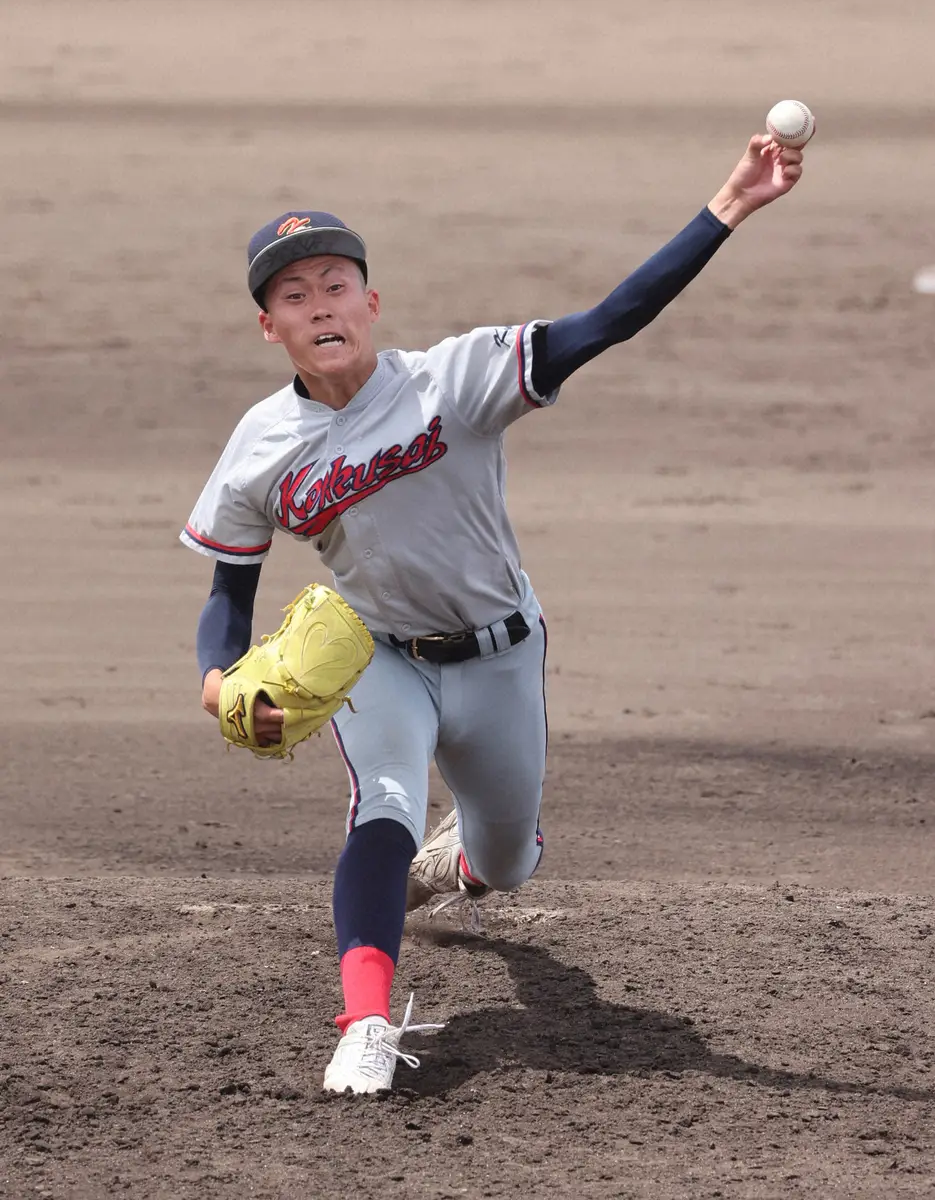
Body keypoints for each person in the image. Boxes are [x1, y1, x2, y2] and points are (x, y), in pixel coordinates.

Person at [181, 132, 805, 1094]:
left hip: (501, 656)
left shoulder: (455, 380)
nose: (319, 305)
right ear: (271, 328)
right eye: (293, 295)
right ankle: (365, 1021)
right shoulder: (259, 445)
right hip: (376, 660)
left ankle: (467, 859)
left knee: (508, 860)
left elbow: (610, 320)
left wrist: (727, 204)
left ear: (370, 302)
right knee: (378, 811)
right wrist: (221, 681)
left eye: (335, 285)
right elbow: (227, 597)